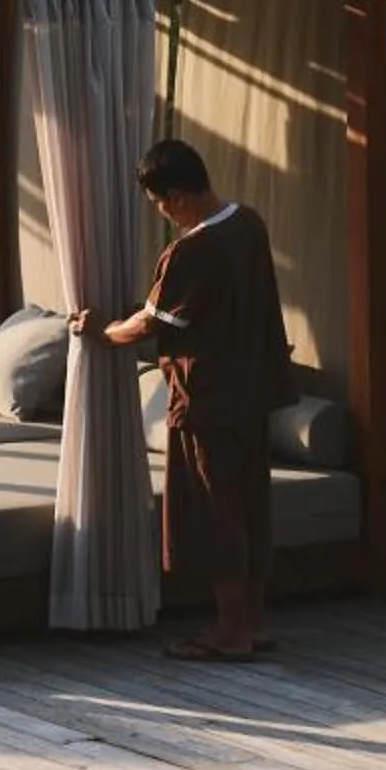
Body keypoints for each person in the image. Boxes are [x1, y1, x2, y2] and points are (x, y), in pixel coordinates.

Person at [71, 137, 293, 662]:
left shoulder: (193, 250)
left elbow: (149, 325)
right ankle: (253, 623)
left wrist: (99, 330)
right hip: (254, 391)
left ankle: (229, 631)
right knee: (249, 505)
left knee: (218, 513)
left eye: (159, 204)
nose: (163, 215)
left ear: (174, 195)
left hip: (209, 395)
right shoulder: (250, 224)